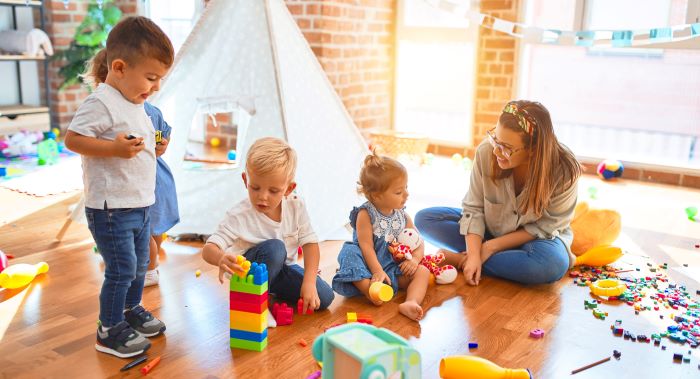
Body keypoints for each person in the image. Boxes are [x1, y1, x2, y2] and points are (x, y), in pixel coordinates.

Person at [64, 16, 174, 358]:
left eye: (159, 80)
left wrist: (156, 146)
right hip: (111, 208)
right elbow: (73, 139)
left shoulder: (136, 101)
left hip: (140, 203)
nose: (154, 87)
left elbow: (140, 140)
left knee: (141, 265)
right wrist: (112, 148)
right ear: (120, 67)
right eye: (151, 78)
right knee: (122, 268)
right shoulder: (101, 102)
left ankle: (129, 311)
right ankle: (108, 329)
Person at [415, 100, 582, 286]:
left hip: (536, 241)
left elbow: (547, 226)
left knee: (551, 265)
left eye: (506, 147)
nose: (496, 150)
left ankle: (460, 260)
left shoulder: (563, 169)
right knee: (425, 219)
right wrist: (475, 252)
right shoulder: (487, 152)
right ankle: (478, 258)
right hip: (490, 229)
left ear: (534, 150)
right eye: (495, 138)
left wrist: (490, 247)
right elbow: (474, 208)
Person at [202, 137, 335, 327]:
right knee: (276, 248)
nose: (262, 197)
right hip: (249, 276)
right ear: (245, 180)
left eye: (273, 191)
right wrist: (221, 258)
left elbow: (310, 244)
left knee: (324, 296)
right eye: (255, 187)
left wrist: (309, 282)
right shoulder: (239, 214)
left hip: (281, 270)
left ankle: (271, 292)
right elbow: (209, 249)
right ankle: (256, 301)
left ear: (289, 189)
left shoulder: (296, 205)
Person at [84, 48, 180, 289]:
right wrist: (160, 145)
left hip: (145, 180)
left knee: (145, 233)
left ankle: (148, 268)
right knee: (148, 231)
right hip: (149, 179)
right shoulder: (133, 110)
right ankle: (147, 265)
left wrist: (159, 145)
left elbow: (160, 137)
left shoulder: (138, 111)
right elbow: (161, 138)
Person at [332, 152, 430, 321]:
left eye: (406, 188)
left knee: (423, 271)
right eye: (399, 192)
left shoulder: (403, 216)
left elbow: (418, 241)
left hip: (392, 268)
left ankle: (411, 302)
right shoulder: (366, 214)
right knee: (349, 253)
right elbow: (366, 246)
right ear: (377, 196)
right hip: (367, 266)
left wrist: (414, 259)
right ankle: (369, 290)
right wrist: (376, 271)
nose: (406, 194)